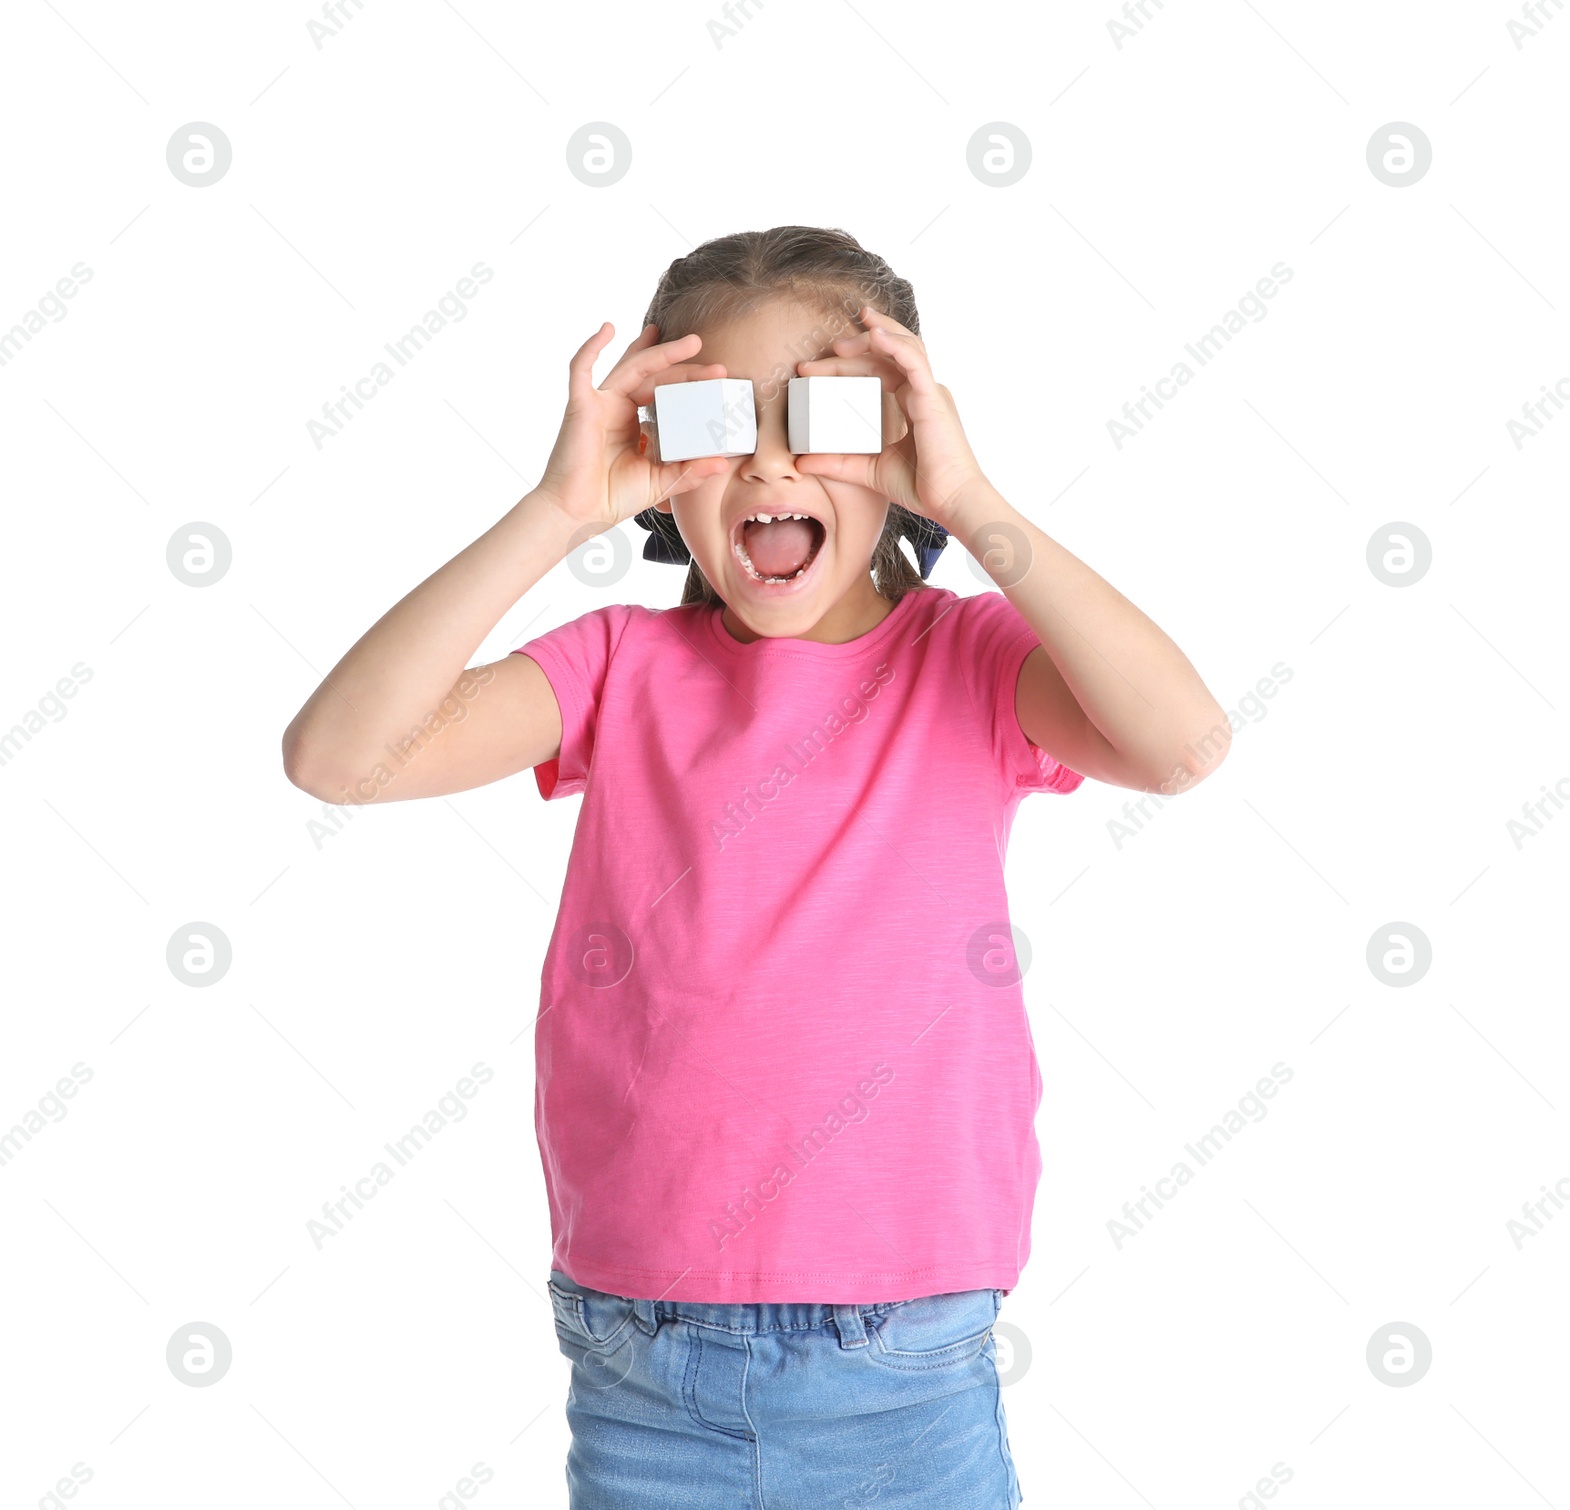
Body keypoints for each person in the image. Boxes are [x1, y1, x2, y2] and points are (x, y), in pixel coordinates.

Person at [282, 225, 1231, 1508]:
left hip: (903, 1352)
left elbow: (1180, 746)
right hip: (643, 1351)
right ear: (655, 458)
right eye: (719, 422)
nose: (774, 458)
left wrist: (973, 503)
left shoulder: (969, 657)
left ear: (897, 436)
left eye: (824, 416)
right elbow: (339, 759)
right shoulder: (620, 666)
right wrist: (557, 511)